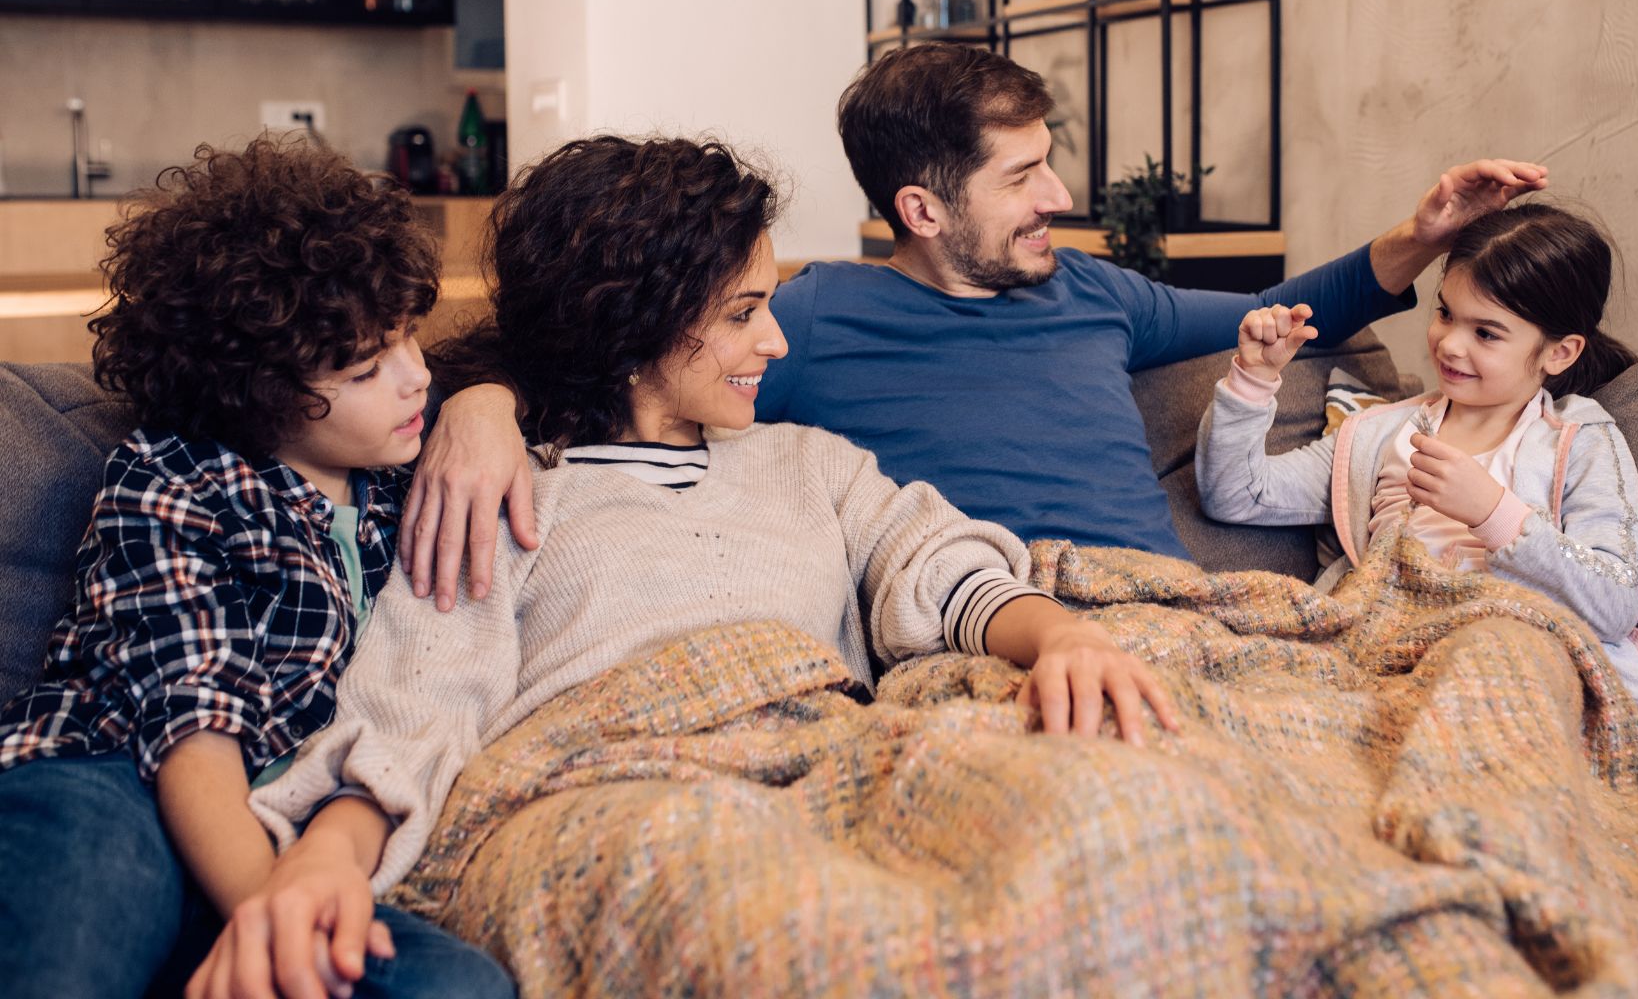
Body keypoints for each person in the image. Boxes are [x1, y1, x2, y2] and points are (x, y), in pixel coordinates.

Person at [188, 136, 1177, 998]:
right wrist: (321, 862)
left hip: (834, 760)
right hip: (612, 798)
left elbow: (936, 557)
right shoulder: (511, 491)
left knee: (1102, 813)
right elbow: (420, 696)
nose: (776, 340)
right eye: (744, 311)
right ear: (636, 322)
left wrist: (1063, 633)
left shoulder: (808, 463)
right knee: (780, 925)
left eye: (770, 303)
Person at [404, 43, 1551, 599]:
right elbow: (614, 356)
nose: (1059, 198)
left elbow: (1278, 312)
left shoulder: (1093, 288)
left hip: (1192, 614)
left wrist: (1420, 232)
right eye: (1022, 178)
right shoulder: (802, 322)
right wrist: (482, 405)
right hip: (993, 626)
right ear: (922, 208)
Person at [0, 138, 513, 998]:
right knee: (76, 934)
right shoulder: (174, 477)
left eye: (411, 340)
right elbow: (190, 724)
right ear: (255, 392)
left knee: (460, 985)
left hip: (299, 824)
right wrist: (268, 911)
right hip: (120, 784)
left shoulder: (403, 483)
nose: (416, 376)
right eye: (365, 367)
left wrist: (488, 402)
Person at [1195, 204, 1638, 701]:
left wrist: (1494, 513)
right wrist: (1254, 378)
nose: (1449, 344)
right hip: (1380, 648)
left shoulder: (1580, 440)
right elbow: (1234, 494)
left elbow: (1616, 603)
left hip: (1506, 662)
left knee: (1491, 661)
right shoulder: (1381, 435)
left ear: (1560, 352)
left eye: (1485, 333)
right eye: (1445, 313)